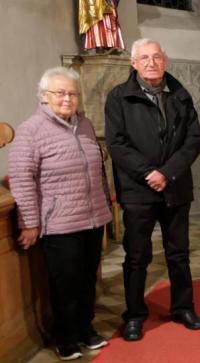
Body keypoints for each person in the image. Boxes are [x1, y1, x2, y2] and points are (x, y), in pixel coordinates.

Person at [9, 67, 113, 361]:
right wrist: (29, 222)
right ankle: (65, 337)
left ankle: (85, 329)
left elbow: (99, 170)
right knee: (65, 283)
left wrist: (105, 206)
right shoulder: (31, 131)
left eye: (73, 93)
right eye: (60, 93)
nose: (68, 99)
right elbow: (21, 178)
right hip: (59, 223)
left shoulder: (85, 125)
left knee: (86, 279)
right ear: (44, 97)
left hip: (92, 219)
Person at [105, 38, 200, 341]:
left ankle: (183, 307)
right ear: (133, 63)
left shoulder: (180, 95)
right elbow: (117, 144)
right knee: (137, 256)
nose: (151, 62)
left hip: (175, 187)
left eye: (156, 57)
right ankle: (135, 315)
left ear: (165, 61)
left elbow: (194, 140)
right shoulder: (119, 97)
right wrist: (149, 172)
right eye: (144, 58)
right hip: (138, 190)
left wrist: (167, 173)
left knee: (179, 253)